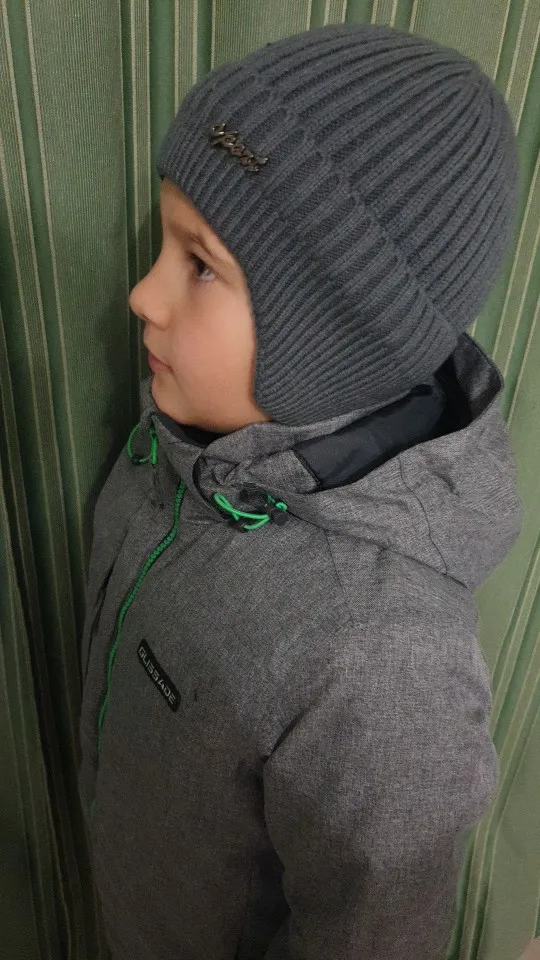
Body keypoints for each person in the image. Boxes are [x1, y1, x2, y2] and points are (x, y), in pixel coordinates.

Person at [77, 21, 523, 960]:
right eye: (165, 243)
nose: (144, 296)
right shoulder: (192, 432)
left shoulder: (382, 666)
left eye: (201, 264)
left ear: (330, 340)